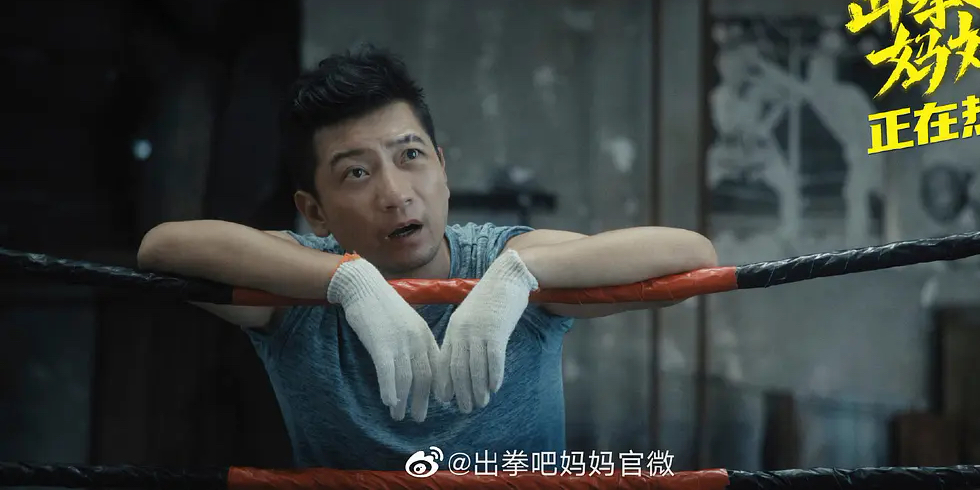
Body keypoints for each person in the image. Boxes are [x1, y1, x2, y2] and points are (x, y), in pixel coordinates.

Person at [136, 45, 718, 471]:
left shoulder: (501, 259)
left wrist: (520, 276)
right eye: (356, 172)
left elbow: (691, 255)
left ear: (442, 167)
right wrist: (349, 282)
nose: (395, 193)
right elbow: (163, 248)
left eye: (410, 156)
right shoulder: (296, 290)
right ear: (314, 211)